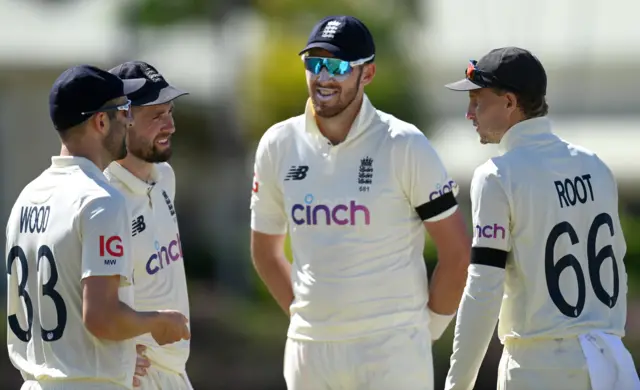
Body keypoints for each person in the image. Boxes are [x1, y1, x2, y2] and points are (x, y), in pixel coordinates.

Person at [250, 15, 471, 390]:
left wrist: (426, 328)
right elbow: (265, 252)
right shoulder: (277, 144)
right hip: (310, 353)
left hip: (393, 349)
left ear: (367, 74)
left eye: (335, 66)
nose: (322, 78)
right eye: (313, 63)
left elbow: (457, 254)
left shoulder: (405, 143)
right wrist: (308, 319)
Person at [443, 47, 640, 390]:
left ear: (508, 103)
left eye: (478, 101)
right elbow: (619, 269)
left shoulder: (497, 176)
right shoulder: (595, 165)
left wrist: (457, 384)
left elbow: (483, 289)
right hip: (613, 364)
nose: (469, 114)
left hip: (538, 368)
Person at [5, 65, 191, 390]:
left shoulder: (27, 198)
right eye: (123, 112)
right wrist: (159, 322)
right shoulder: (101, 200)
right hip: (89, 382)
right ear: (101, 121)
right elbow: (101, 317)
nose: (128, 120)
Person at [105, 61, 192, 390]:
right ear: (122, 119)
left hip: (175, 371)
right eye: (156, 116)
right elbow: (75, 294)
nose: (169, 126)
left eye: (170, 112)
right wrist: (111, 355)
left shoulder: (165, 177)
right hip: (135, 377)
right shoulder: (102, 198)